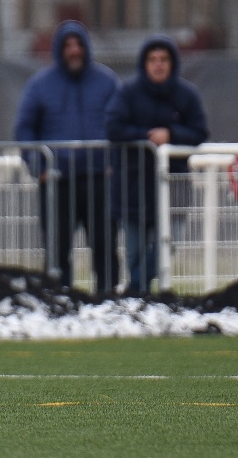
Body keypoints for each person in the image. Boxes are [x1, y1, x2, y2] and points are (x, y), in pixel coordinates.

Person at [13, 20, 121, 293]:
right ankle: (58, 300)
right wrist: (38, 167)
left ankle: (108, 300)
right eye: (68, 45)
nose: (74, 51)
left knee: (105, 245)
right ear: (59, 49)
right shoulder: (40, 85)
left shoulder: (107, 82)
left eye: (78, 44)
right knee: (57, 249)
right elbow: (25, 128)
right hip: (56, 182)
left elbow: (122, 124)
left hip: (100, 180)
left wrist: (115, 164)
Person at [105, 35, 210, 294]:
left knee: (169, 242)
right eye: (153, 59)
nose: (158, 64)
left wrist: (171, 135)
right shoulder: (128, 93)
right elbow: (113, 127)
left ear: (172, 63)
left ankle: (134, 291)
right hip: (133, 186)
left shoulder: (186, 95)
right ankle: (139, 298)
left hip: (174, 184)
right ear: (144, 63)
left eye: (164, 59)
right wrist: (147, 137)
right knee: (134, 252)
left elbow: (199, 132)